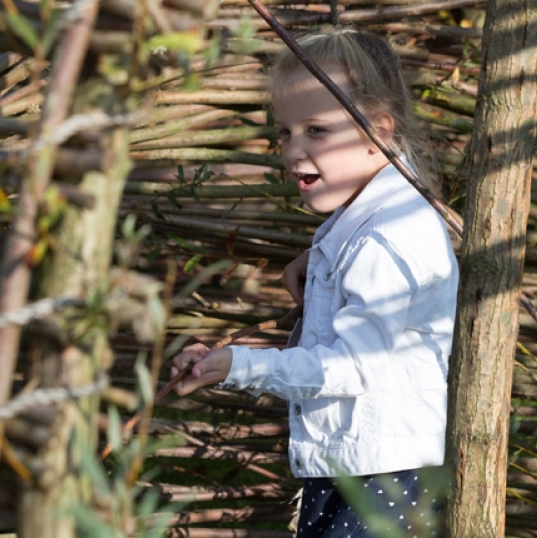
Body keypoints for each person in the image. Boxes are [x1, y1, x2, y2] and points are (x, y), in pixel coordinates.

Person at [170, 28, 458, 538]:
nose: (292, 149)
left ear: (379, 133)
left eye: (317, 130)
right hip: (363, 465)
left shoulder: (385, 239)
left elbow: (349, 369)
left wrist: (239, 364)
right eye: (285, 131)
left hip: (384, 479)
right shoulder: (372, 222)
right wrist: (321, 255)